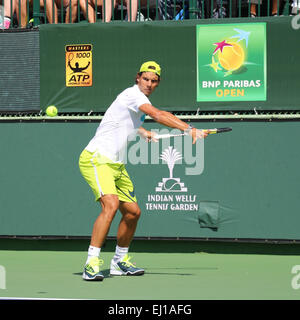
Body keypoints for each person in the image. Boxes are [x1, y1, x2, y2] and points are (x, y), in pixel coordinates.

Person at [78, 61, 208, 281]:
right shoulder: (133, 95)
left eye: (154, 81)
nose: (149, 84)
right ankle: (91, 263)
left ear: (158, 83)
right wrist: (189, 129)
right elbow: (157, 114)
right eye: (145, 79)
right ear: (137, 78)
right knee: (110, 205)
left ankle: (120, 261)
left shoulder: (135, 100)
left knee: (132, 213)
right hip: (96, 158)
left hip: (116, 164)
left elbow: (121, 121)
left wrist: (142, 131)